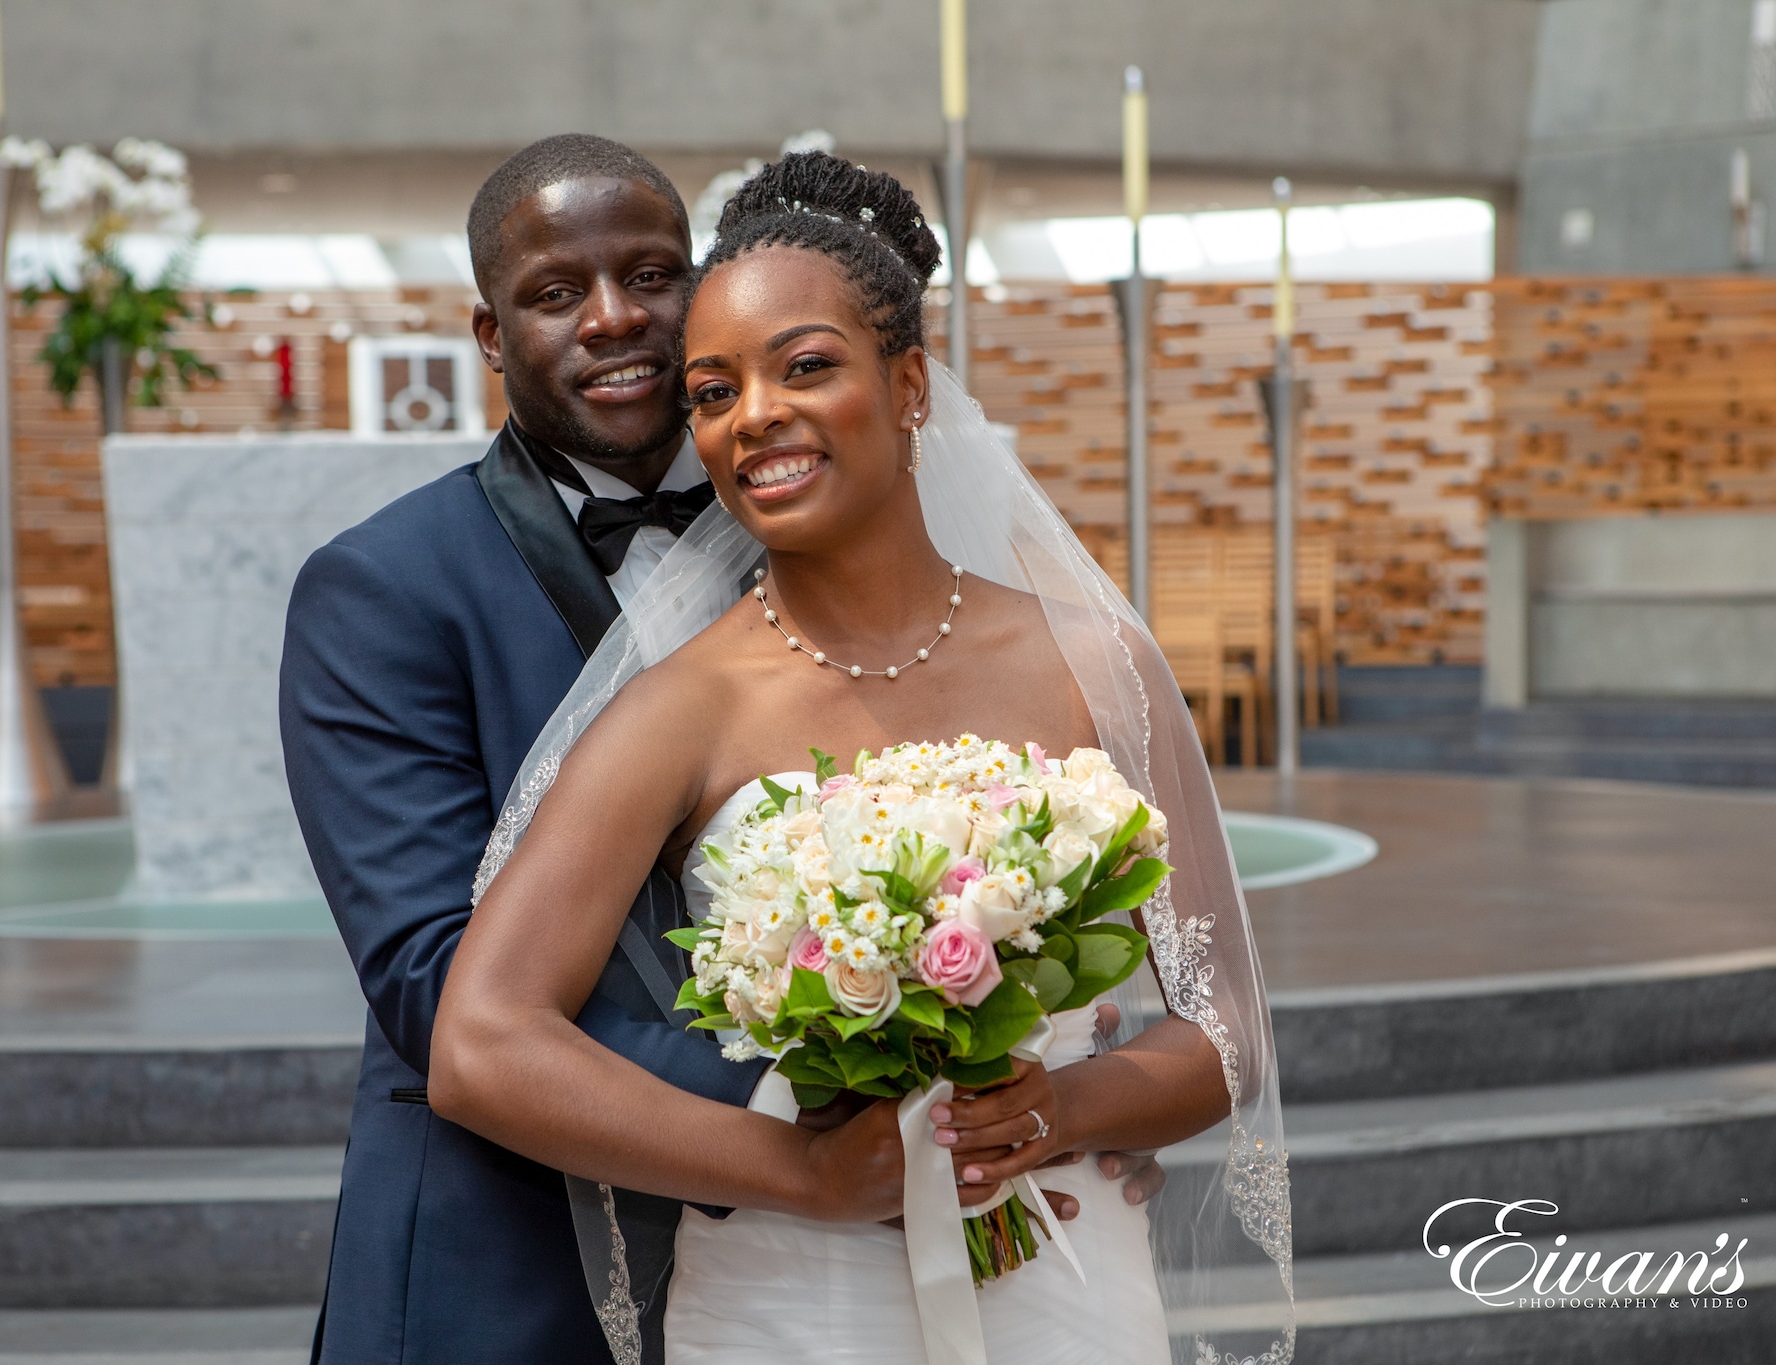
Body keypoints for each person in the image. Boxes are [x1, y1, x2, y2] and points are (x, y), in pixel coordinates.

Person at [432, 153, 1295, 1365]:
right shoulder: (679, 707)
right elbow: (480, 1047)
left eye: (804, 368)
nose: (754, 417)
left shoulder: (1094, 661)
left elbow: (1223, 1028)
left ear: (906, 386)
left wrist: (1051, 1105)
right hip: (795, 1297)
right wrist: (806, 1172)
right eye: (713, 393)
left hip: (1063, 1263)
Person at [279, 135, 765, 1364]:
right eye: (555, 293)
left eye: (651, 275)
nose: (613, 319)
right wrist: (797, 1101)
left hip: (800, 1273)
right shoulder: (382, 589)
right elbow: (436, 983)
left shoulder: (805, 547)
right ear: (491, 336)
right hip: (508, 1241)